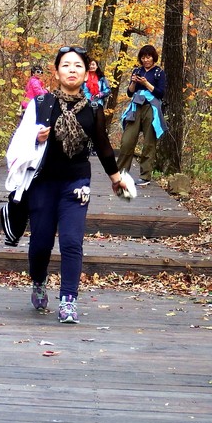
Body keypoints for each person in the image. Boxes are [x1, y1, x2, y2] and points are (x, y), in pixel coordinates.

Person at [25, 46, 131, 324]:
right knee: (40, 243)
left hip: (77, 181)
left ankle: (68, 300)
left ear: (86, 72)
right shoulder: (42, 103)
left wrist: (115, 178)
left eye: (78, 66)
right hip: (42, 182)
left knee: (72, 241)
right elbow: (20, 142)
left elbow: (103, 145)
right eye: (66, 65)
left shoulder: (93, 109)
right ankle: (38, 281)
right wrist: (37, 138)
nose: (72, 70)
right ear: (57, 71)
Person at [117, 44, 167, 187]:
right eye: (143, 57)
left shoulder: (159, 72)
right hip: (135, 107)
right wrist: (134, 82)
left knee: (149, 142)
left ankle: (145, 176)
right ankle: (121, 173)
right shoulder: (137, 70)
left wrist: (146, 84)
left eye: (148, 57)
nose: (146, 60)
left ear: (153, 58)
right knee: (127, 140)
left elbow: (160, 93)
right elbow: (129, 92)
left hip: (151, 107)